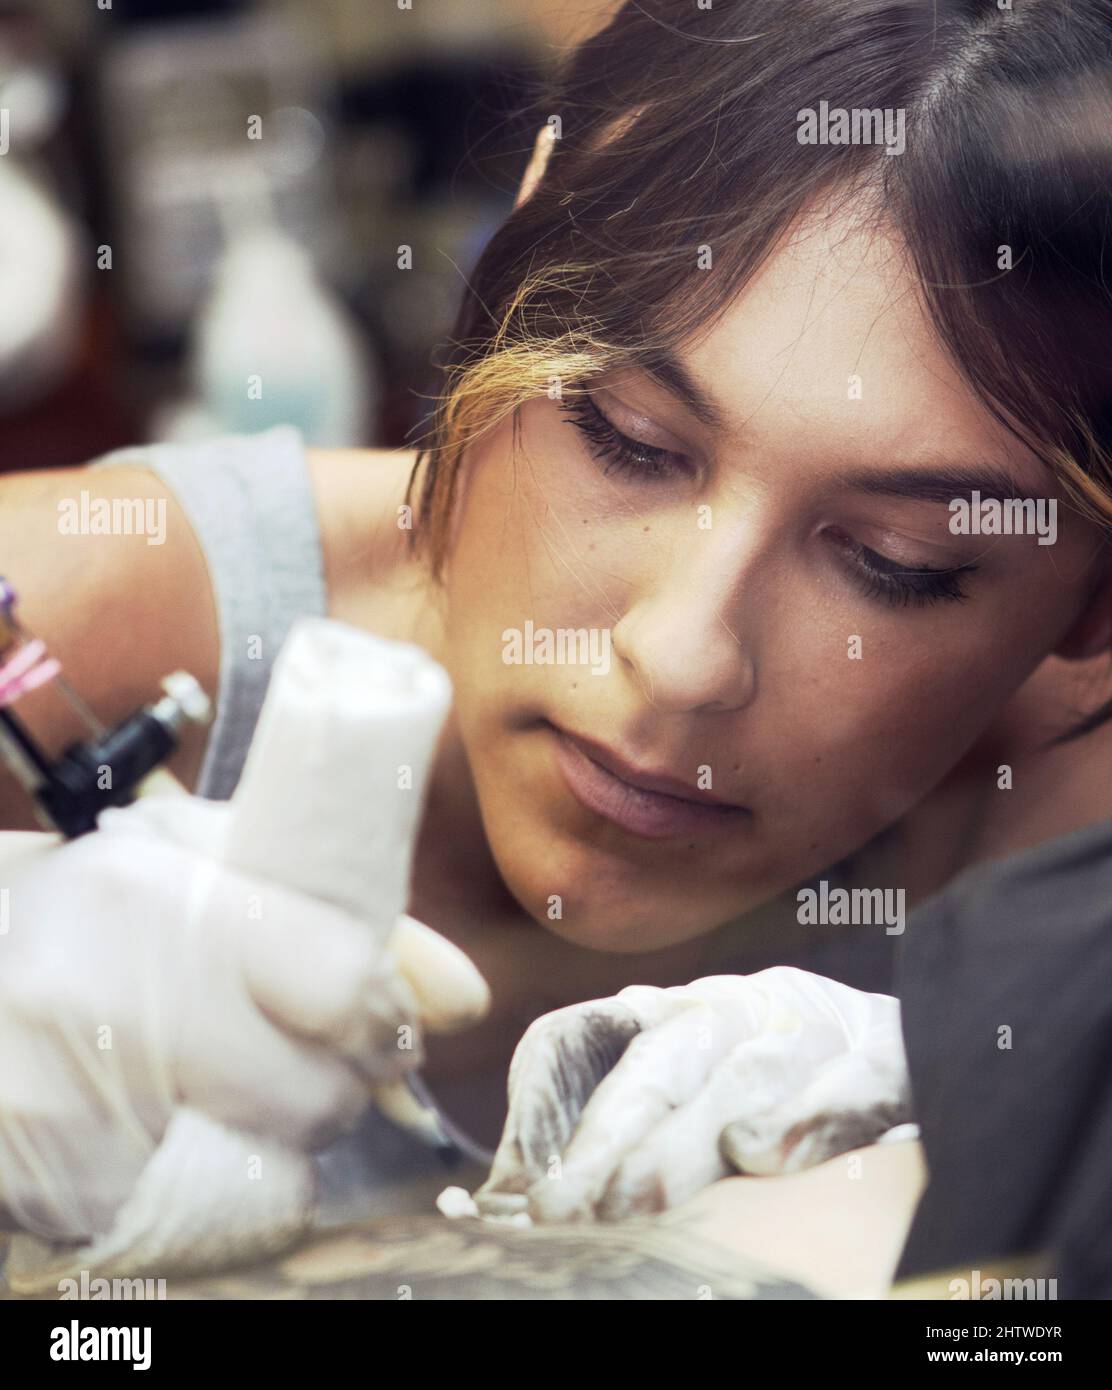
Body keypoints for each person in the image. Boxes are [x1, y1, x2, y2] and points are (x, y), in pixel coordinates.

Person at [1, 0, 1111, 1272]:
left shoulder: (1050, 834)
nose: (683, 657)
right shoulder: (68, 623)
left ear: (1092, 602)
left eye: (893, 566)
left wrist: (1004, 1082)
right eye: (624, 440)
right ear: (513, 254)